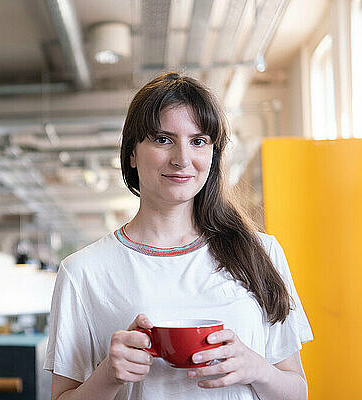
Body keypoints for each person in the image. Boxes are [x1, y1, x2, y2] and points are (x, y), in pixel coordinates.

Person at [44, 72, 313, 400]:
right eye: (162, 139)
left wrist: (258, 369)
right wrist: (108, 376)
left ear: (212, 155)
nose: (182, 159)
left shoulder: (261, 253)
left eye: (198, 141)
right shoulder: (82, 272)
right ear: (132, 153)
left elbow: (298, 392)